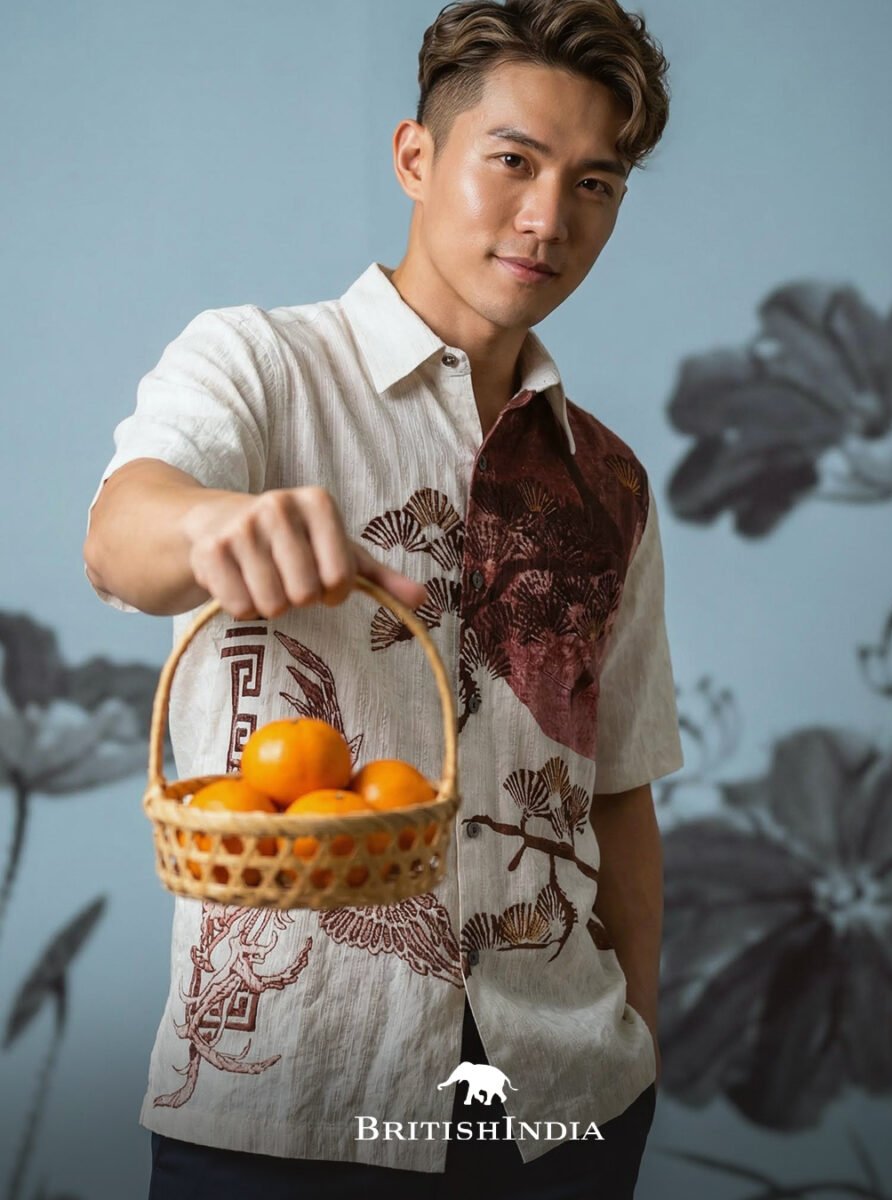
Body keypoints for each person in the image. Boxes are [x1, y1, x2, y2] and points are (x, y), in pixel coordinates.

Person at [83, 1, 682, 1196]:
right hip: (283, 1100)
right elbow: (121, 536)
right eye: (512, 160)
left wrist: (638, 1052)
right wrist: (214, 526)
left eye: (595, 184)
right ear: (416, 156)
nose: (548, 218)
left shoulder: (609, 480)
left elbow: (618, 792)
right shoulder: (258, 366)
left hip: (564, 1107)